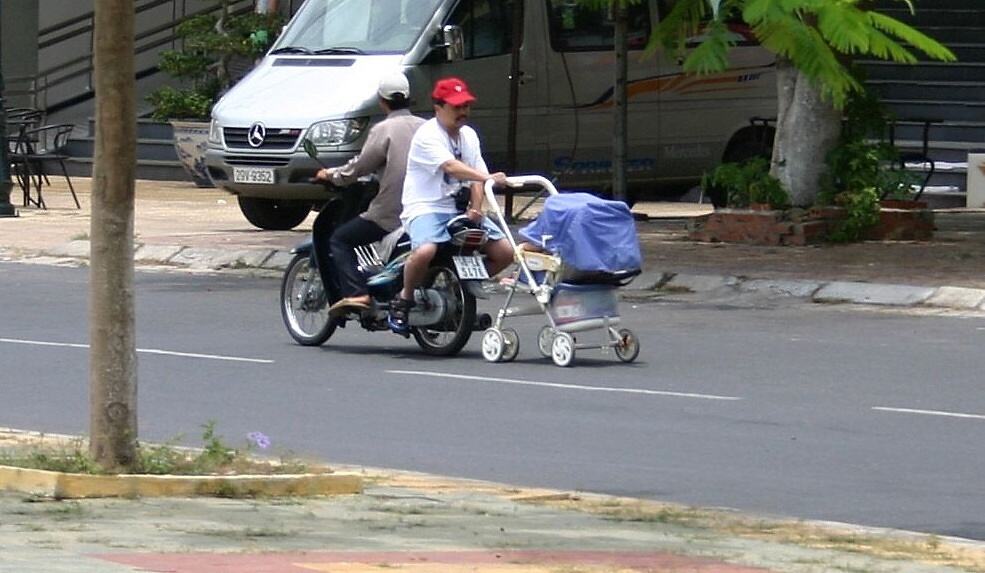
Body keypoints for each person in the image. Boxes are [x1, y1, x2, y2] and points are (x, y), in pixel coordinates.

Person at [388, 77, 514, 335]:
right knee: (425, 251)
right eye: (456, 107)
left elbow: (476, 173)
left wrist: (476, 210)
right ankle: (404, 298)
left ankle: (458, 290)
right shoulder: (427, 135)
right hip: (425, 207)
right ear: (438, 107)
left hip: (457, 211)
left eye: (466, 106)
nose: (463, 112)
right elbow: (452, 167)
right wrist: (487, 178)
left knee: (505, 252)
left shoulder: (468, 136)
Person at [315, 71, 425, 317]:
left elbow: (359, 166)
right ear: (408, 98)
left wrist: (331, 175)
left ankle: (357, 294)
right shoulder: (425, 127)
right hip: (424, 209)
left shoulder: (383, 129)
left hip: (392, 212)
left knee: (339, 240)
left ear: (382, 101)